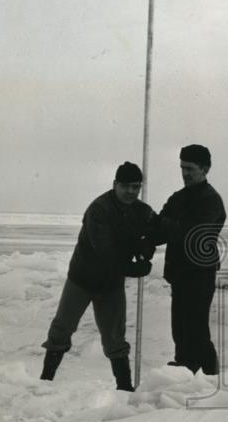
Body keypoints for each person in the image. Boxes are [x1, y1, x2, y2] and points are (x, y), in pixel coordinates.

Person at [40, 162, 153, 391]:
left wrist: (147, 245)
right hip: (82, 279)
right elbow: (106, 252)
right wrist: (134, 269)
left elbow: (157, 229)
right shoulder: (99, 209)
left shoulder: (142, 211)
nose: (130, 191)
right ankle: (45, 381)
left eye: (135, 187)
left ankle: (124, 389)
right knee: (62, 328)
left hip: (111, 284)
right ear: (115, 185)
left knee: (115, 337)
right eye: (125, 186)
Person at [149, 144, 226, 375]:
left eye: (190, 168)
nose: (185, 173)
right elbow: (160, 231)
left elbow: (192, 234)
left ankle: (211, 378)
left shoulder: (211, 200)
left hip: (200, 274)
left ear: (205, 169)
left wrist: (159, 223)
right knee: (180, 331)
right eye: (182, 167)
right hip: (180, 274)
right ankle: (183, 372)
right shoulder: (177, 198)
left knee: (197, 332)